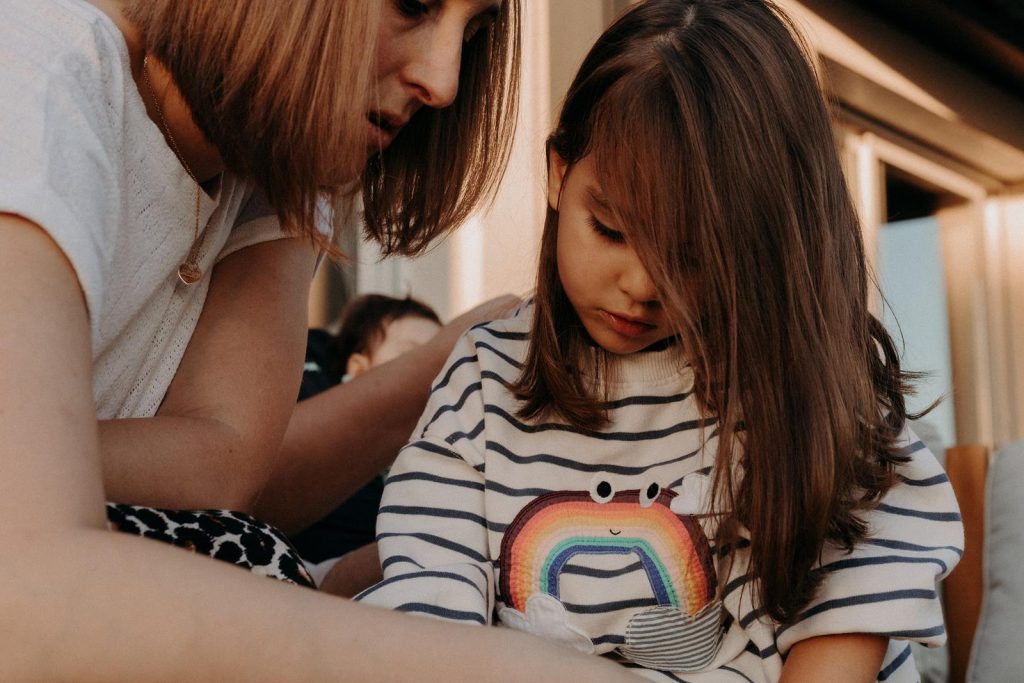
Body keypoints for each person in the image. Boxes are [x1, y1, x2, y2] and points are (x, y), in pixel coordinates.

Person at [0, 0, 638, 679]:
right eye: (414, 5)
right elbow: (29, 588)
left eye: (472, 32)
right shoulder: (37, 78)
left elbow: (221, 460)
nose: (444, 81)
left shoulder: (282, 166)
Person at [355, 1, 964, 681]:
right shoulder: (480, 385)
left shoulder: (799, 400)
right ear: (559, 174)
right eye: (611, 229)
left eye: (692, 255)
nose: (642, 284)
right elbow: (426, 621)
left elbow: (842, 639)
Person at [293, 294, 443, 590]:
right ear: (360, 369)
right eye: (414, 355)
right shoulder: (337, 409)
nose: (434, 369)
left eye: (441, 358)